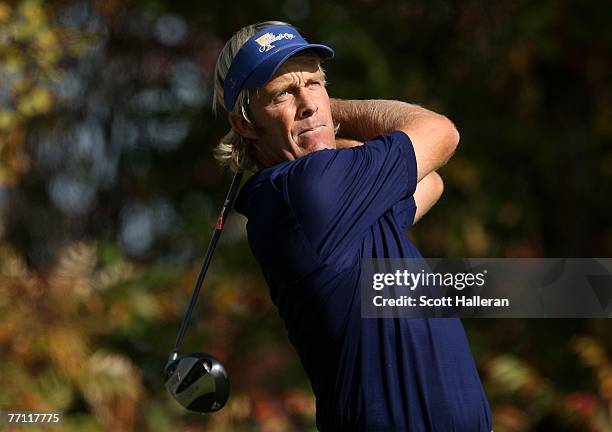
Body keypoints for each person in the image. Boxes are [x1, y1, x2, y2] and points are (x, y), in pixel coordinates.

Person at [212, 21, 493, 431]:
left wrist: (314, 121)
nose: (307, 102)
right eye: (283, 94)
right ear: (246, 124)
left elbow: (431, 181)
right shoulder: (303, 192)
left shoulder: (341, 203)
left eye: (314, 83)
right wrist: (332, 110)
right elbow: (440, 132)